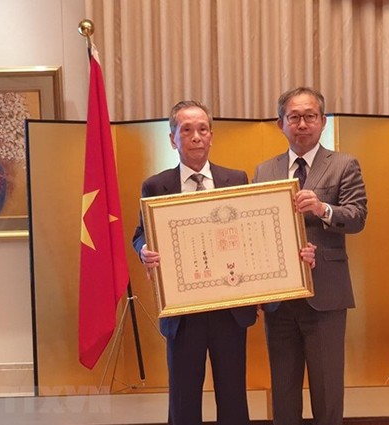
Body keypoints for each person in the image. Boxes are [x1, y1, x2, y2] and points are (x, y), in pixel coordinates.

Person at [132, 100, 316, 425]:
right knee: (183, 399)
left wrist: (290, 258)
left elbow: (252, 237)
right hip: (183, 312)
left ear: (212, 135)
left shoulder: (236, 178)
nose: (196, 137)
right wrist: (144, 248)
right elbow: (139, 234)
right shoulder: (156, 185)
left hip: (230, 310)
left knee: (233, 399)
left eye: (202, 129)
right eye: (186, 130)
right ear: (173, 138)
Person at [253, 87, 368, 425]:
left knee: (327, 390)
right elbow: (256, 232)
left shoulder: (344, 164)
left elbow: (358, 217)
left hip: (326, 295)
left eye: (310, 116)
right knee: (283, 390)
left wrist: (322, 208)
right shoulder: (264, 171)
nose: (302, 124)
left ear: (323, 121)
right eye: (294, 117)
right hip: (280, 299)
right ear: (281, 124)